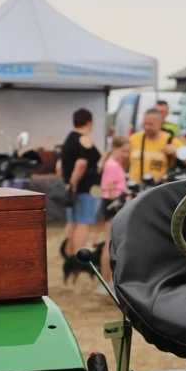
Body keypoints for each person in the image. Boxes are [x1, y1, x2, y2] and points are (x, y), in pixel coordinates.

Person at [60, 108, 102, 254]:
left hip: (73, 188)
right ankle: (79, 255)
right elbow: (81, 164)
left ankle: (68, 254)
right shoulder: (84, 139)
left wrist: (69, 185)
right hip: (84, 189)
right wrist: (74, 184)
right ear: (89, 122)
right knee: (83, 223)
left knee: (72, 222)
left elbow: (61, 165)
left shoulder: (69, 139)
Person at [128, 108, 186, 183]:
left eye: (150, 124)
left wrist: (176, 151)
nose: (147, 127)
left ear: (160, 123)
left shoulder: (170, 140)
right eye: (145, 124)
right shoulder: (134, 139)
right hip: (136, 190)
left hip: (158, 189)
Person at [98, 134, 130, 286]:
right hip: (113, 205)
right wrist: (117, 204)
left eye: (128, 152)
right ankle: (106, 281)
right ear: (115, 148)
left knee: (111, 243)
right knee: (109, 243)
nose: (126, 155)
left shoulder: (113, 164)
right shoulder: (112, 165)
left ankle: (108, 281)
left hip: (114, 204)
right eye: (123, 151)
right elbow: (111, 188)